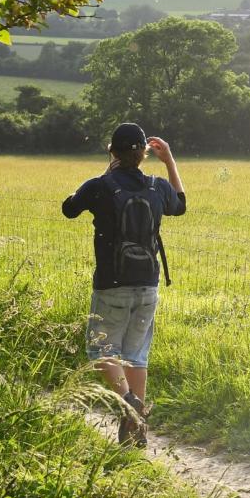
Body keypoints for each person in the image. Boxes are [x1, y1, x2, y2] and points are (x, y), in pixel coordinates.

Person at [62, 122, 186, 447]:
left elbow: (68, 209)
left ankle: (129, 401)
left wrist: (108, 171)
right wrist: (170, 161)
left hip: (111, 284)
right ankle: (136, 430)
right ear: (144, 154)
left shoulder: (100, 185)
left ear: (112, 151)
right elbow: (181, 205)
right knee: (135, 355)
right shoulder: (158, 187)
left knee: (100, 350)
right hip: (149, 284)